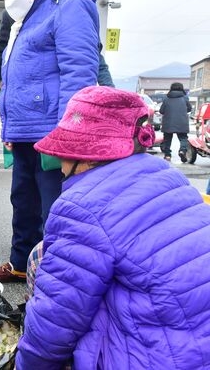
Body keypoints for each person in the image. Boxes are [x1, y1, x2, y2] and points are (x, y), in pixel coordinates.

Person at [15, 85, 210, 369]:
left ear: (89, 154)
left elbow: (55, 319)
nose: (59, 162)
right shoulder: (169, 175)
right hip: (194, 338)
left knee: (43, 263)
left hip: (155, 357)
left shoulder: (80, 208)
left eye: (65, 151)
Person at [0, 0, 99, 282]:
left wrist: (69, 133)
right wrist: (10, 124)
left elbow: (78, 71)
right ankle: (21, 261)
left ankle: (58, 276)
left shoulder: (68, 3)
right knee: (23, 200)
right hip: (27, 129)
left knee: (55, 207)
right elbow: (16, 73)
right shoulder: (26, 16)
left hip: (53, 130)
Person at [160, 82, 191, 162]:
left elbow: (161, 111)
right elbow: (189, 109)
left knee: (167, 139)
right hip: (181, 122)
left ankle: (167, 155)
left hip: (168, 122)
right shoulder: (185, 98)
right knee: (183, 138)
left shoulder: (167, 98)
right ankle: (182, 151)